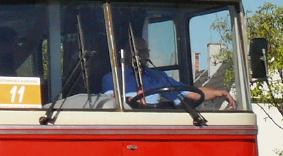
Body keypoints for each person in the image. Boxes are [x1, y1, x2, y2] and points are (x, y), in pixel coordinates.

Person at [101, 42, 236, 109]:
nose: (141, 55)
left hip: (158, 124)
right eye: (137, 51)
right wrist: (131, 102)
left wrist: (219, 93)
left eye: (144, 51)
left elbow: (192, 93)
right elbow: (112, 104)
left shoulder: (157, 76)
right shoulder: (113, 78)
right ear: (127, 53)